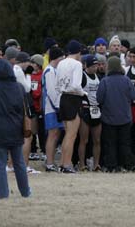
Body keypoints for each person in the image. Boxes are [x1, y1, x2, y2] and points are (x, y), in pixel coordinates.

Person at [0, 59, 31, 199]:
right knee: (19, 162)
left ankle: (3, 194)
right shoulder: (19, 87)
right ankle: (25, 192)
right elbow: (23, 109)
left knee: (0, 164)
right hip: (15, 128)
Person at [97, 56, 135, 172]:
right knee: (125, 143)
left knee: (110, 143)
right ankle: (128, 164)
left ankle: (111, 165)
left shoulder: (105, 81)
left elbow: (99, 99)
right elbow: (134, 96)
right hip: (125, 117)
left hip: (108, 117)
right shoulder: (126, 80)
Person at [56, 40, 86, 173]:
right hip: (73, 98)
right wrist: (83, 93)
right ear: (78, 52)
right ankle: (67, 164)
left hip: (63, 97)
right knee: (72, 135)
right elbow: (76, 85)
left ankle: (63, 163)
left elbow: (57, 84)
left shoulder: (61, 63)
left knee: (67, 133)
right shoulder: (77, 64)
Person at [42, 47, 65, 172]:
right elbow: (51, 91)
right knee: (52, 135)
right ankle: (49, 163)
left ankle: (51, 162)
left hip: (55, 107)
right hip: (52, 108)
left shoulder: (54, 70)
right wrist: (57, 107)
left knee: (56, 135)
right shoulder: (50, 71)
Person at [78, 55, 102, 172]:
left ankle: (96, 164)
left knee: (97, 140)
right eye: (92, 66)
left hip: (96, 109)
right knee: (84, 139)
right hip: (86, 110)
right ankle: (82, 164)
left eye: (96, 66)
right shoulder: (82, 76)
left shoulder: (99, 77)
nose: (95, 68)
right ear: (86, 66)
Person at [29, 54, 45, 161]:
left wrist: (34, 92)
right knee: (32, 129)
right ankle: (33, 150)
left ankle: (44, 150)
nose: (31, 65)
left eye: (33, 63)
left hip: (40, 106)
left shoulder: (42, 75)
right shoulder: (29, 75)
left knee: (42, 130)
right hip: (32, 106)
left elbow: (37, 92)